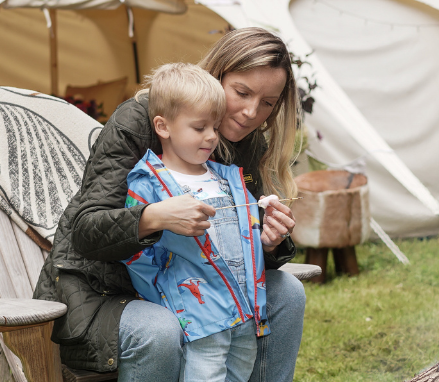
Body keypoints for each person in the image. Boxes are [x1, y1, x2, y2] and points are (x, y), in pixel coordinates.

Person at [34, 27, 304, 382]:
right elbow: (86, 231)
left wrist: (266, 240)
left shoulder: (245, 142)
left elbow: (230, 242)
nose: (252, 112)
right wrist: (153, 217)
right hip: (105, 292)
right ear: (216, 75)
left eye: (267, 103)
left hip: (193, 285)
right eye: (242, 92)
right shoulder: (140, 119)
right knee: (161, 329)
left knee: (287, 294)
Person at [122, 63, 269, 382]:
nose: (212, 136)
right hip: (198, 316)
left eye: (215, 127)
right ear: (163, 126)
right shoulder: (149, 182)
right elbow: (135, 253)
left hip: (244, 311)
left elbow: (246, 237)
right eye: (199, 127)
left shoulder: (226, 177)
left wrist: (265, 227)